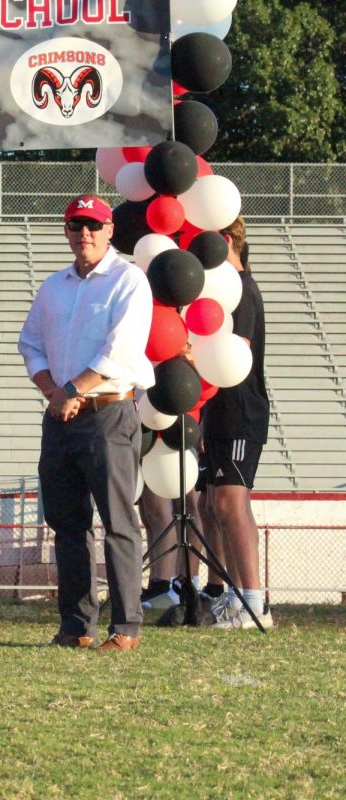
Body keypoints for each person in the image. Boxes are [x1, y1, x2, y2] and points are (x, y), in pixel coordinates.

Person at [17, 195, 153, 652]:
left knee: (118, 523)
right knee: (67, 524)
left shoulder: (128, 280)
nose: (85, 233)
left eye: (94, 224)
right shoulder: (53, 286)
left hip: (108, 413)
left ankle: (126, 627)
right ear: (66, 231)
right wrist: (54, 393)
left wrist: (71, 391)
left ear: (110, 228)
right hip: (61, 417)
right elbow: (30, 343)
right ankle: (76, 625)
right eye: (76, 225)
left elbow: (121, 350)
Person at [200, 218, 272, 630]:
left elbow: (235, 352)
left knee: (231, 502)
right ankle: (236, 595)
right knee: (214, 504)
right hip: (218, 409)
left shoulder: (241, 290)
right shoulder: (225, 291)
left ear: (226, 241)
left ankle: (253, 601)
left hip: (240, 410)